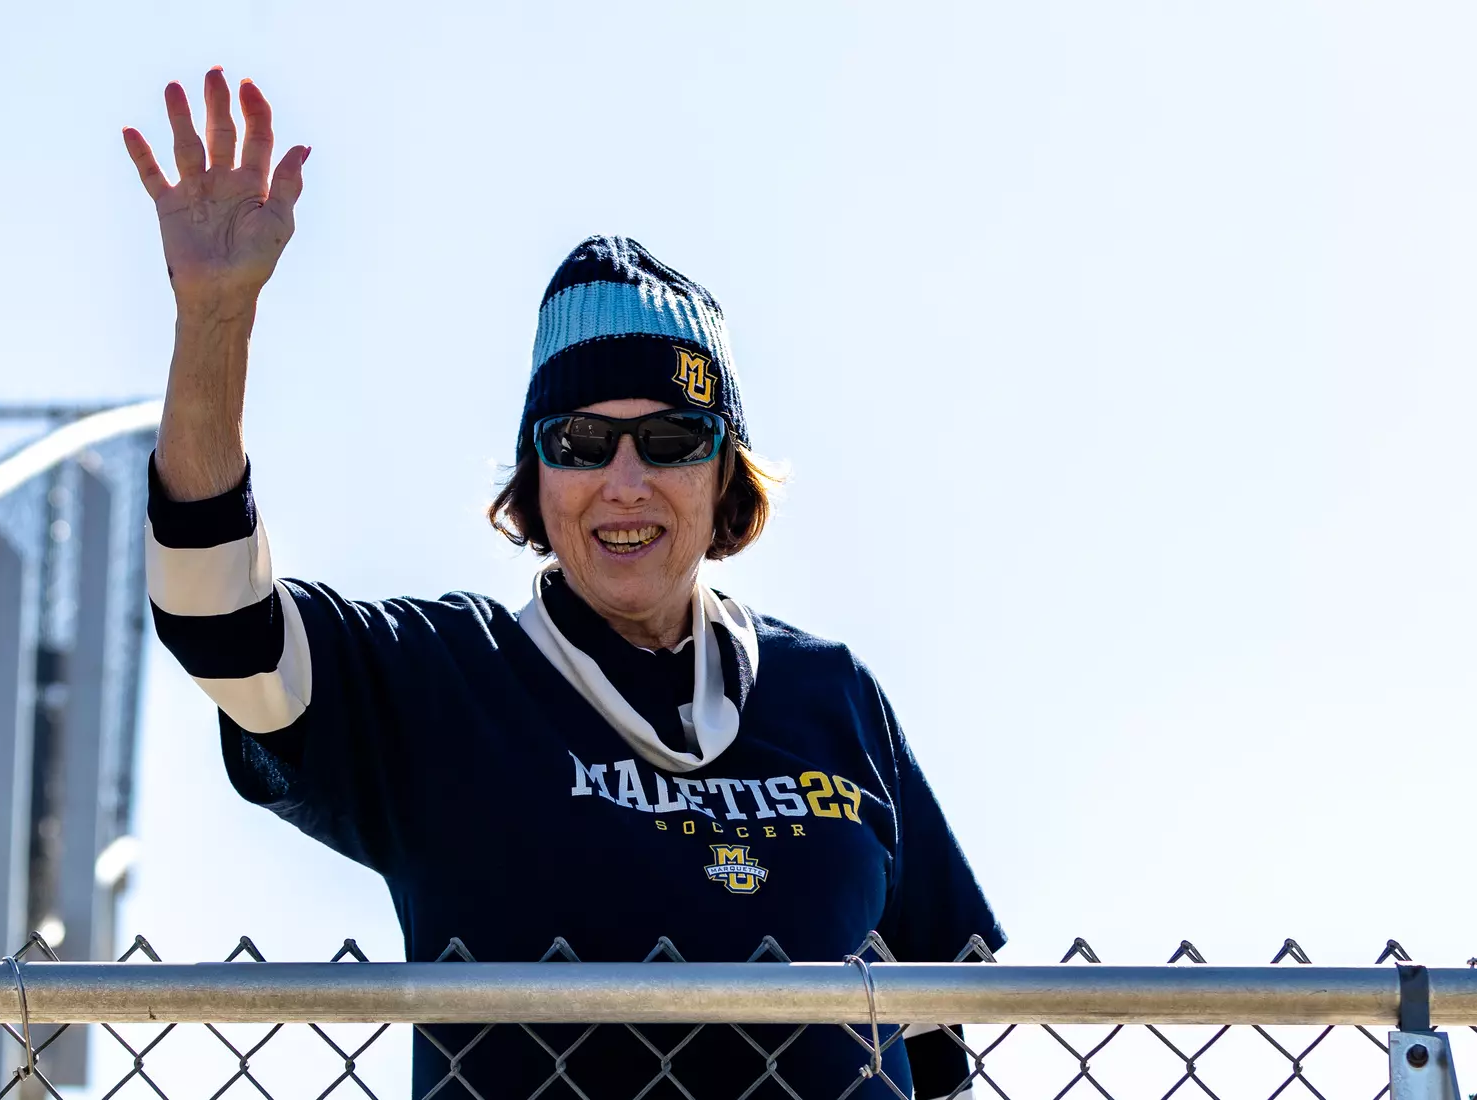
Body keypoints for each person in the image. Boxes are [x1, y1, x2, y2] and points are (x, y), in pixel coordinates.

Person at [126, 69, 1005, 1100]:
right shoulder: (447, 682)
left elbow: (946, 1043)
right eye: (581, 441)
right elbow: (217, 620)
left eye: (671, 438)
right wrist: (215, 319)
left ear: (727, 471)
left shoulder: (834, 697)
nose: (623, 481)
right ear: (533, 481)